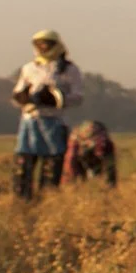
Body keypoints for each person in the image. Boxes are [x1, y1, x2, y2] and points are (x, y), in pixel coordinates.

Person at [10, 29, 83, 200]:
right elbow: (17, 92)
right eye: (38, 44)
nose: (42, 47)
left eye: (46, 43)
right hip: (30, 120)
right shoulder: (29, 68)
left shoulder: (69, 70)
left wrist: (56, 98)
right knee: (23, 161)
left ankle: (47, 199)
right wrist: (22, 97)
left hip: (54, 120)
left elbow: (78, 96)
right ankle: (22, 200)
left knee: (52, 162)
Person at [64, 120, 119, 187]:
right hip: (83, 150)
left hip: (98, 150)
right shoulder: (75, 138)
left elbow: (109, 165)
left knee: (108, 164)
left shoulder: (104, 142)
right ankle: (82, 180)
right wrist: (71, 179)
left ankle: (108, 184)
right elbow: (71, 160)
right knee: (74, 162)